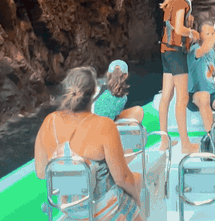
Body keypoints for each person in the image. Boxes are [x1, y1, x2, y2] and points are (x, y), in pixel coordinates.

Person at [34, 67, 142, 221]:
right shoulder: (104, 125)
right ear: (94, 93)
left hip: (71, 211)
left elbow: (41, 172)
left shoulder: (49, 122)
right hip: (104, 210)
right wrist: (136, 200)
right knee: (135, 201)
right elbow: (122, 178)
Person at [157, 0, 203, 153]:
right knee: (182, 98)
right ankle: (185, 144)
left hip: (164, 52)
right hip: (176, 54)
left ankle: (164, 141)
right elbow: (178, 29)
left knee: (166, 96)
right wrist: (193, 33)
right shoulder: (182, 3)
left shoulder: (171, 2)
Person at [188, 23, 215, 133]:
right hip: (195, 95)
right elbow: (203, 50)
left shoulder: (211, 52)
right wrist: (214, 36)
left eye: (212, 33)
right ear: (200, 35)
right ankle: (210, 135)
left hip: (212, 93)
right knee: (204, 96)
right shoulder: (193, 50)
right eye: (207, 34)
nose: (210, 36)